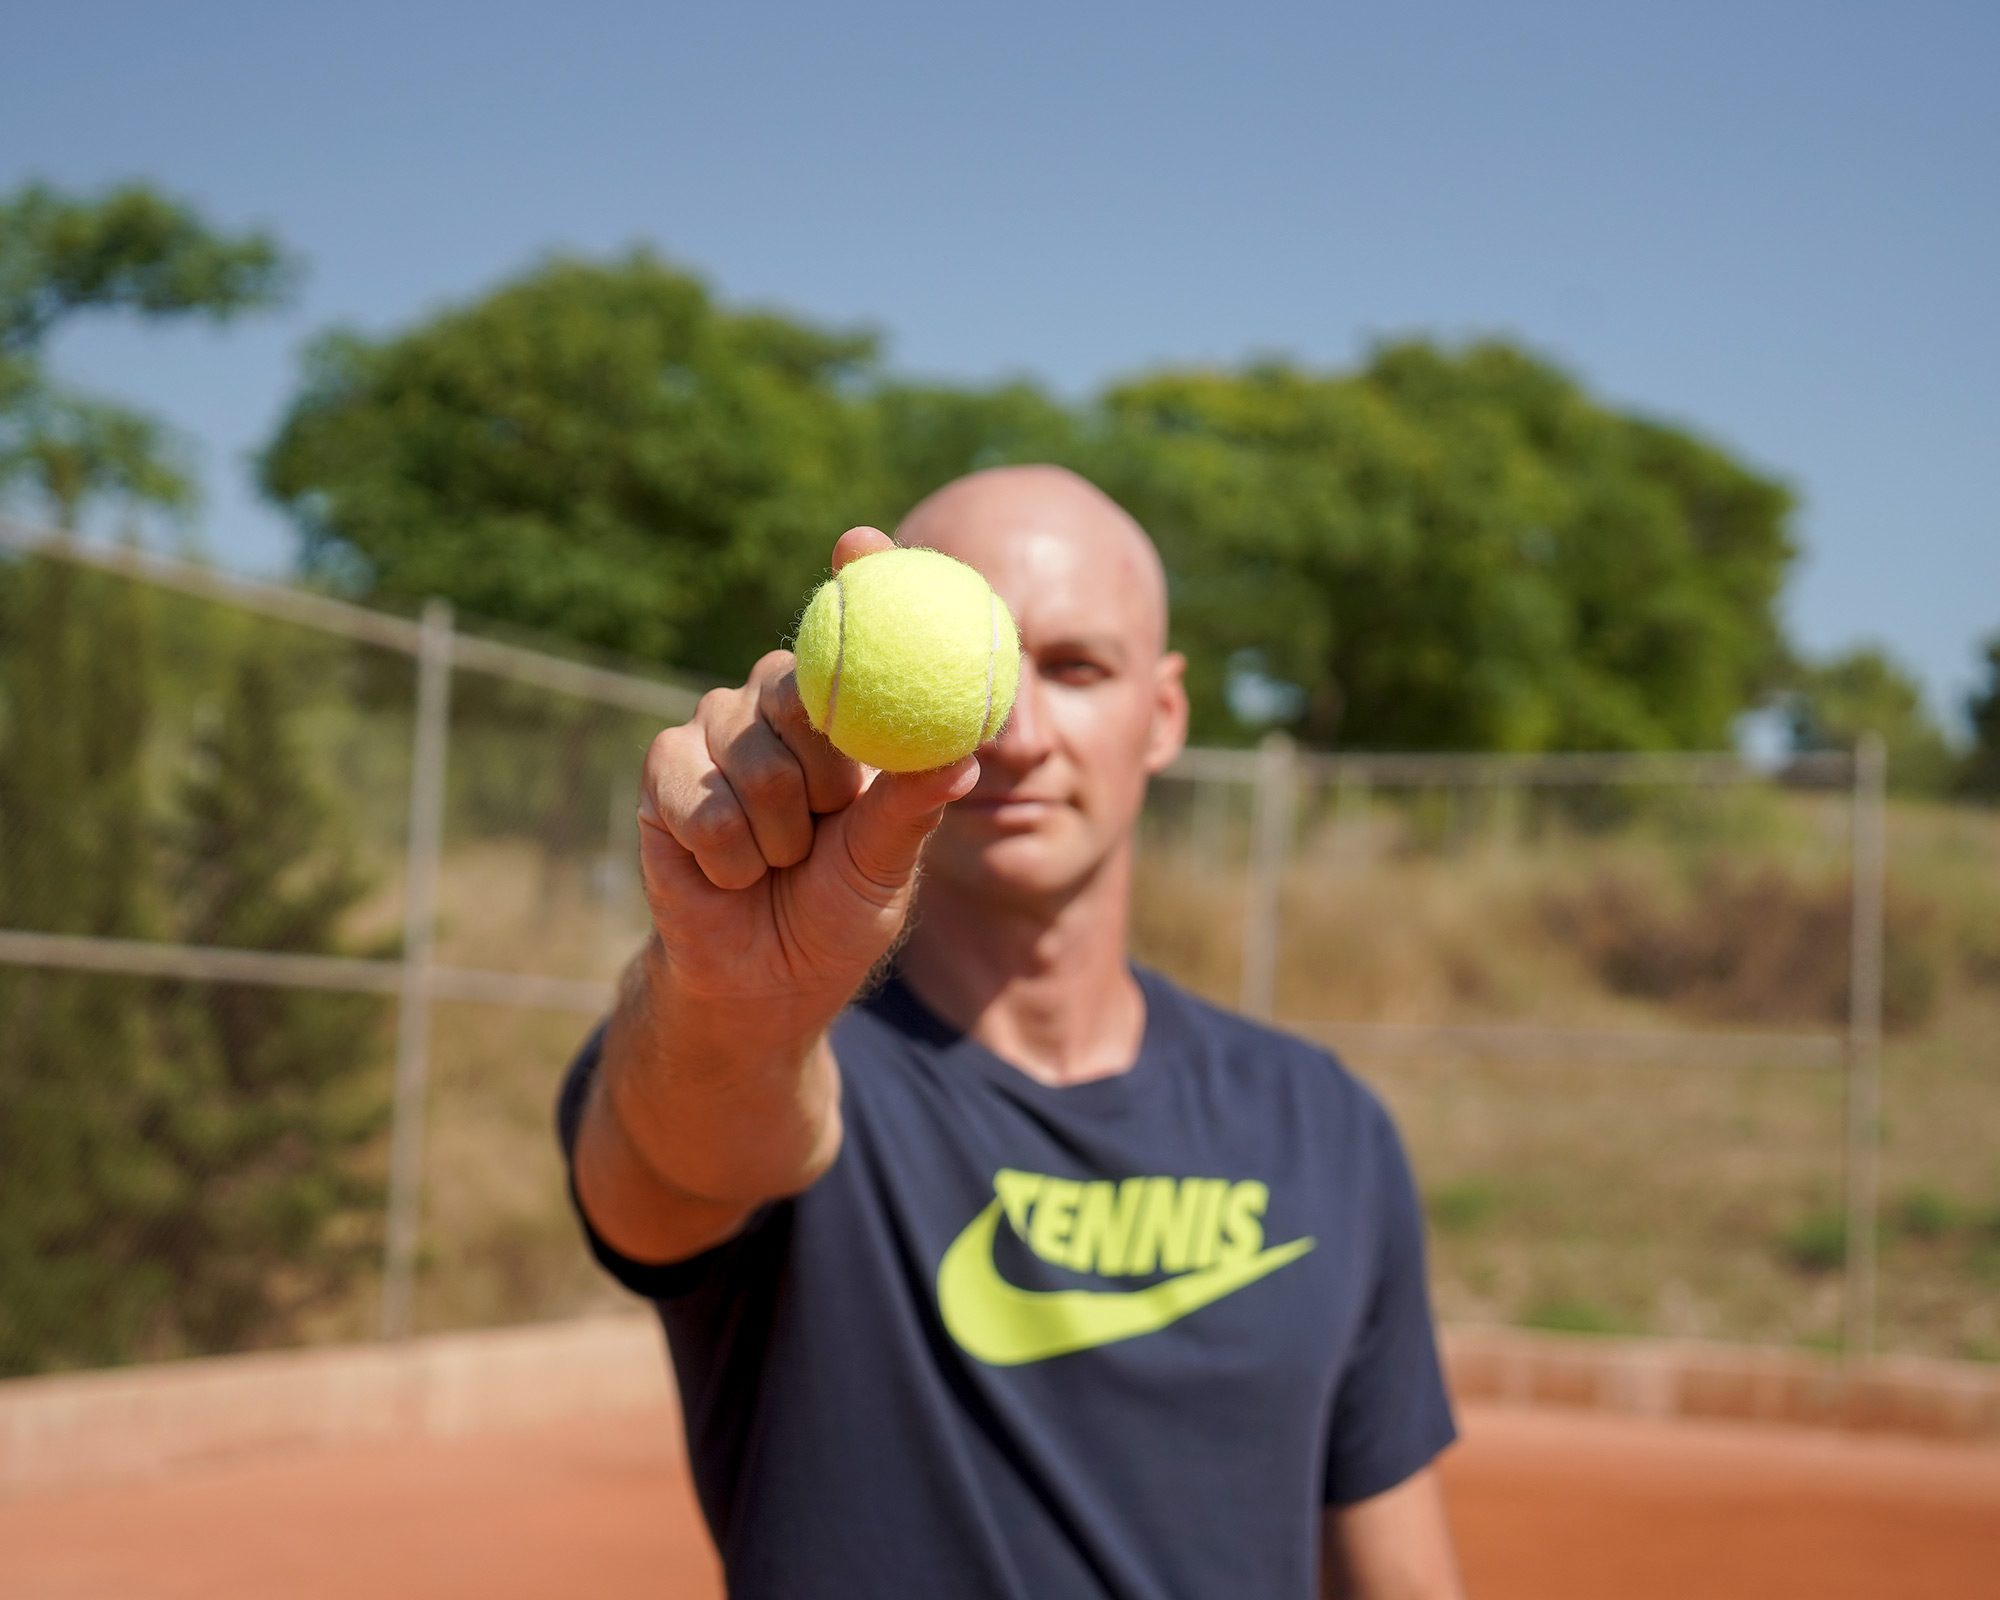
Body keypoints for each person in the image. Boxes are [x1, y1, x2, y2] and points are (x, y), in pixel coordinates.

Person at [560, 465, 1465, 1599]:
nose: (1022, 730)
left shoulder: (1322, 1124)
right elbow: (670, 1166)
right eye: (994, 668)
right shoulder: (774, 1059)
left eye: (1078, 667)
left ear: (1165, 713)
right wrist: (734, 1005)